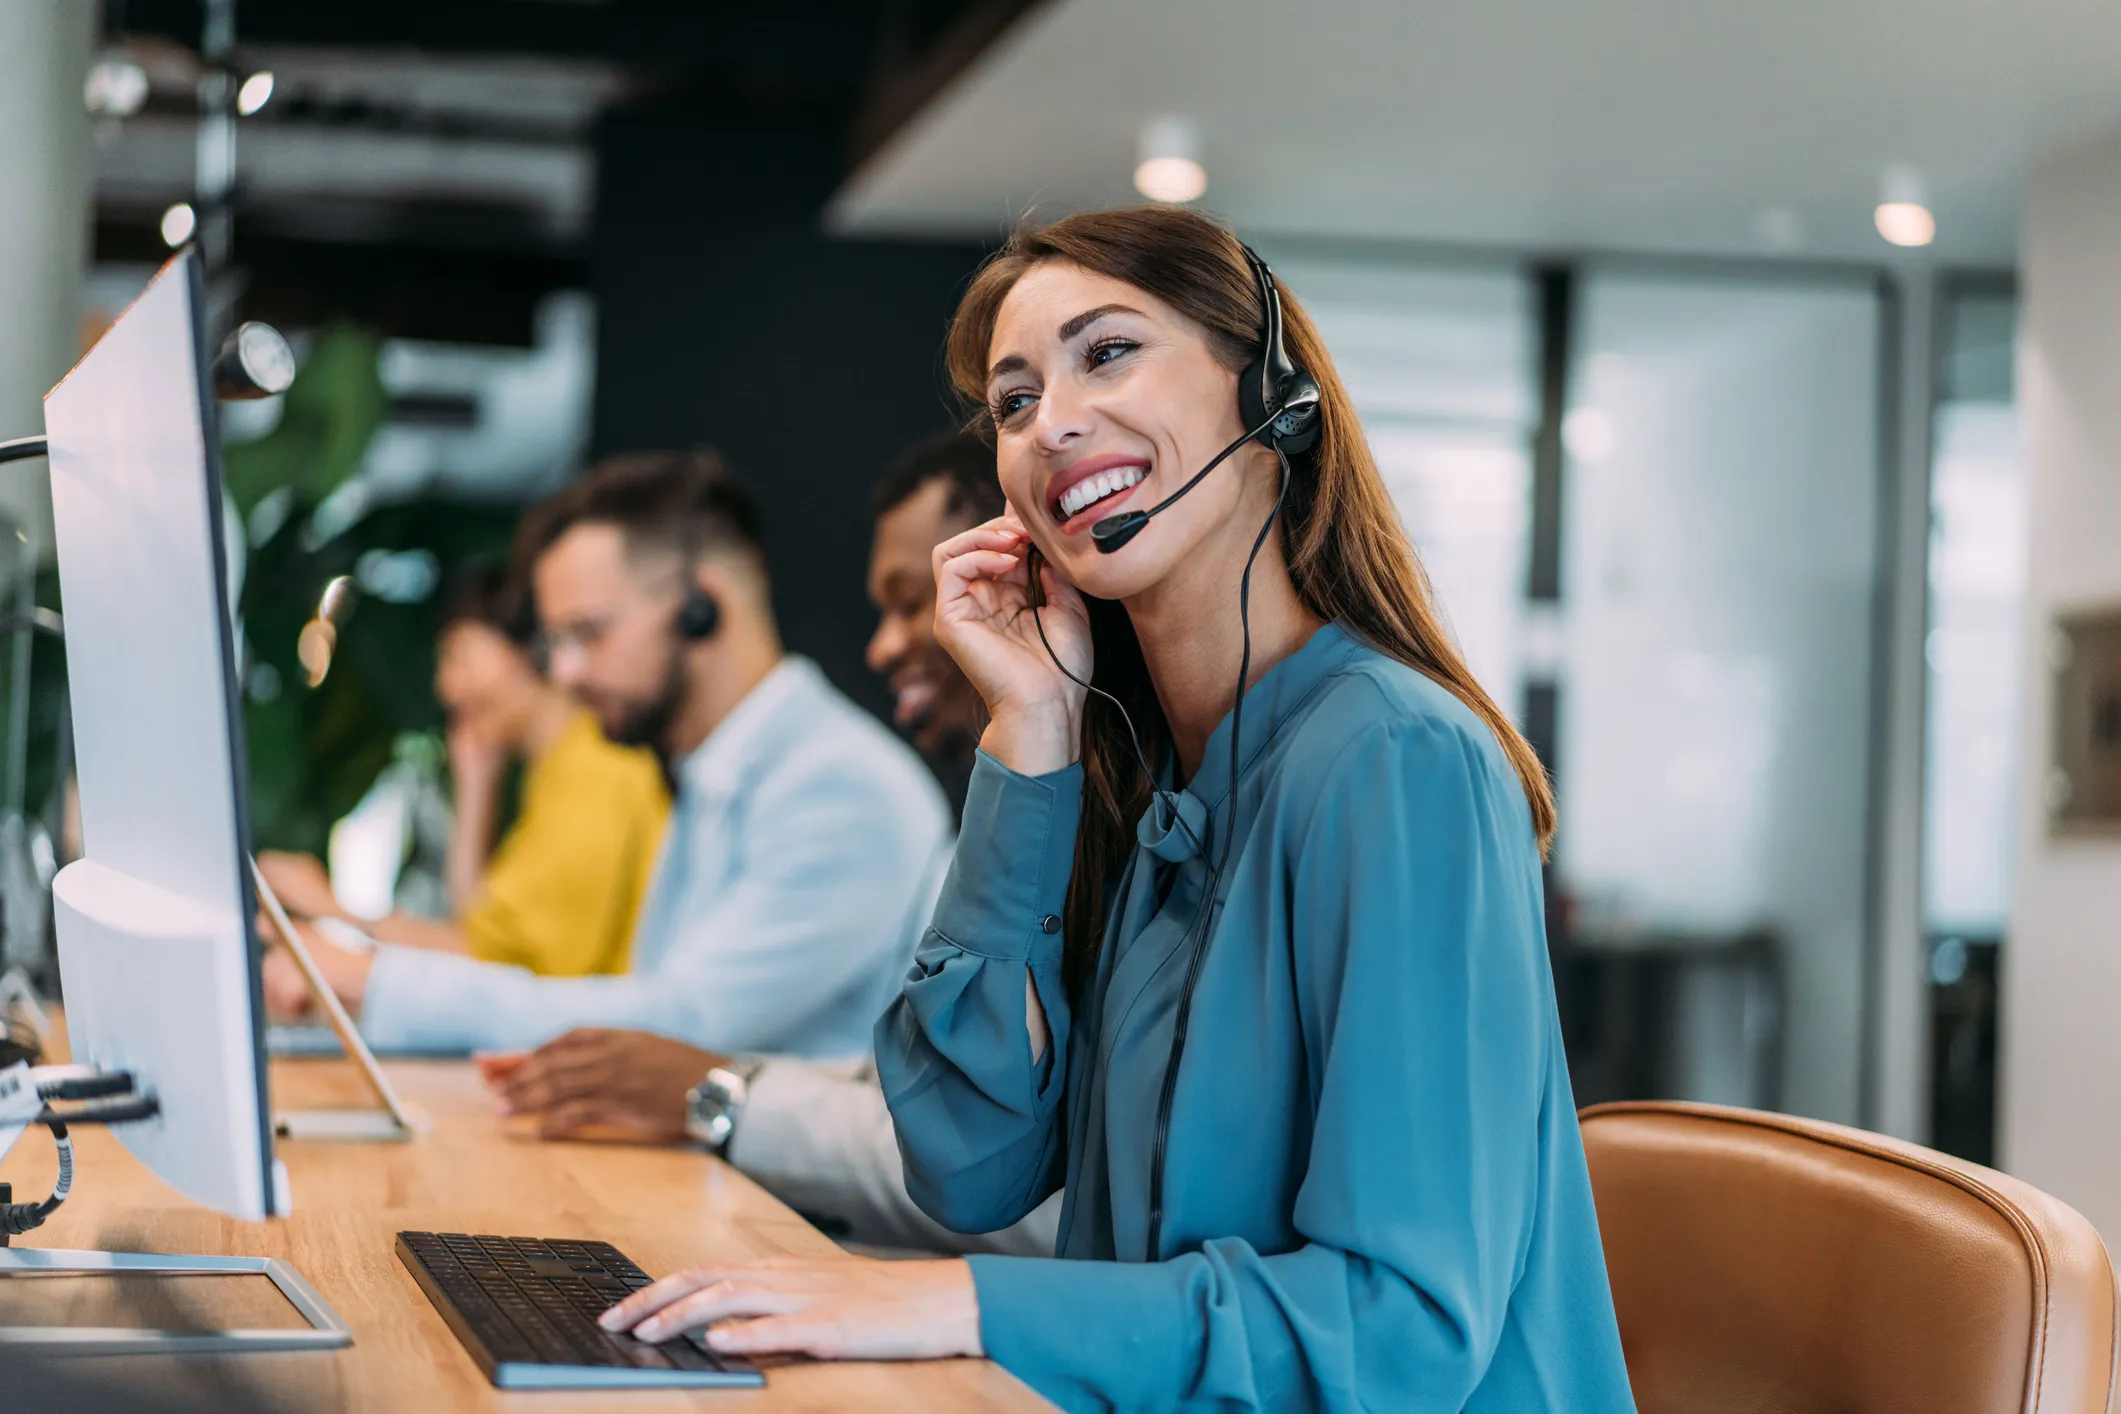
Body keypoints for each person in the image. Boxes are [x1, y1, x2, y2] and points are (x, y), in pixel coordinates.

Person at [596, 208, 1635, 1412]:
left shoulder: (1397, 760)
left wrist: (953, 1303)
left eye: (1107, 353)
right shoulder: (1143, 772)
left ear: (1271, 393)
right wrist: (1029, 735)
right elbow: (966, 1164)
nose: (1053, 423)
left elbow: (1397, 1326)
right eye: (1014, 401)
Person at [482, 430, 1059, 1257]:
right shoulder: (707, 774)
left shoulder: (848, 786)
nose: (883, 645)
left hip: (864, 1253)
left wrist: (715, 1093)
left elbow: (984, 1163)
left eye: (924, 599)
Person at [267, 450, 952, 1059]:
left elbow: (680, 1025)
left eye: (587, 634)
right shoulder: (711, 769)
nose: (562, 672)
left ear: (699, 607)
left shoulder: (838, 787)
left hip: (791, 1205)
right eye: (554, 642)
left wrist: (377, 981)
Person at [257, 564, 668, 978]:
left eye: (461, 656)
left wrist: (331, 908)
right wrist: (476, 785)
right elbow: (484, 929)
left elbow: (493, 961)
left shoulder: (597, 766)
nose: (446, 685)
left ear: (532, 650)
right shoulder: (564, 765)